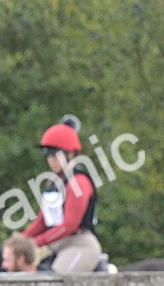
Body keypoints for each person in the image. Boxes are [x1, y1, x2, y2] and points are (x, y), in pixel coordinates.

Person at [21, 116, 103, 273]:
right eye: (49, 155)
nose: (51, 160)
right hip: (56, 244)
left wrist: (35, 242)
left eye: (56, 155)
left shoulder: (78, 181)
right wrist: (20, 240)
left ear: (70, 154)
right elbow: (43, 221)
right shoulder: (52, 183)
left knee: (54, 281)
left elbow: (68, 226)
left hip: (79, 244)